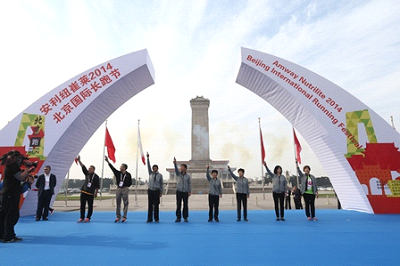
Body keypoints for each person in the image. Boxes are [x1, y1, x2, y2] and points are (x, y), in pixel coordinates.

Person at [0, 150, 37, 243]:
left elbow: (22, 175)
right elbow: (20, 177)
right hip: (10, 194)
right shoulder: (12, 167)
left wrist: (29, 170)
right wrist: (27, 168)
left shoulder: (11, 167)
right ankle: (8, 236)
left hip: (9, 194)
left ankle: (6, 235)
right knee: (11, 216)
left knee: (6, 216)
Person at [105, 156, 132, 223]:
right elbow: (112, 168)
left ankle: (124, 217)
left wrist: (126, 186)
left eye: (121, 167)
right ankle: (118, 216)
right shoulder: (118, 173)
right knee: (118, 203)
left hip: (125, 188)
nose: (120, 168)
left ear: (124, 168)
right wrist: (108, 161)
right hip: (118, 189)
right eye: (120, 167)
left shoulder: (128, 174)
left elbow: (130, 182)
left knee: (126, 203)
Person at [76, 155, 100, 223]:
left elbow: (97, 186)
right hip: (84, 192)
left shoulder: (96, 177)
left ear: (94, 170)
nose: (89, 170)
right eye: (89, 169)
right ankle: (81, 217)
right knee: (82, 205)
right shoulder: (87, 174)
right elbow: (83, 167)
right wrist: (79, 161)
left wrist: (96, 193)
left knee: (90, 206)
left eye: (91, 169)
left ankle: (88, 217)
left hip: (90, 193)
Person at [146, 152, 163, 223]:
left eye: (155, 168)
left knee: (156, 205)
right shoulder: (150, 173)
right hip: (150, 190)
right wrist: (147, 158)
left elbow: (161, 184)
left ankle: (156, 218)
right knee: (150, 205)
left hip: (156, 191)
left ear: (157, 169)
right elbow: (148, 166)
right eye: (153, 168)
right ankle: (149, 219)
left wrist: (161, 192)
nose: (154, 169)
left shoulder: (160, 175)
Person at [174, 157, 191, 222]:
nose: (181, 168)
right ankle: (178, 217)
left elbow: (189, 184)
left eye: (182, 167)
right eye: (180, 167)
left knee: (185, 205)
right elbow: (176, 170)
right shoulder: (178, 174)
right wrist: (175, 164)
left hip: (185, 192)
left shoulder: (188, 176)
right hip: (179, 191)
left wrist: (189, 191)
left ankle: (185, 217)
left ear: (185, 168)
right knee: (178, 204)